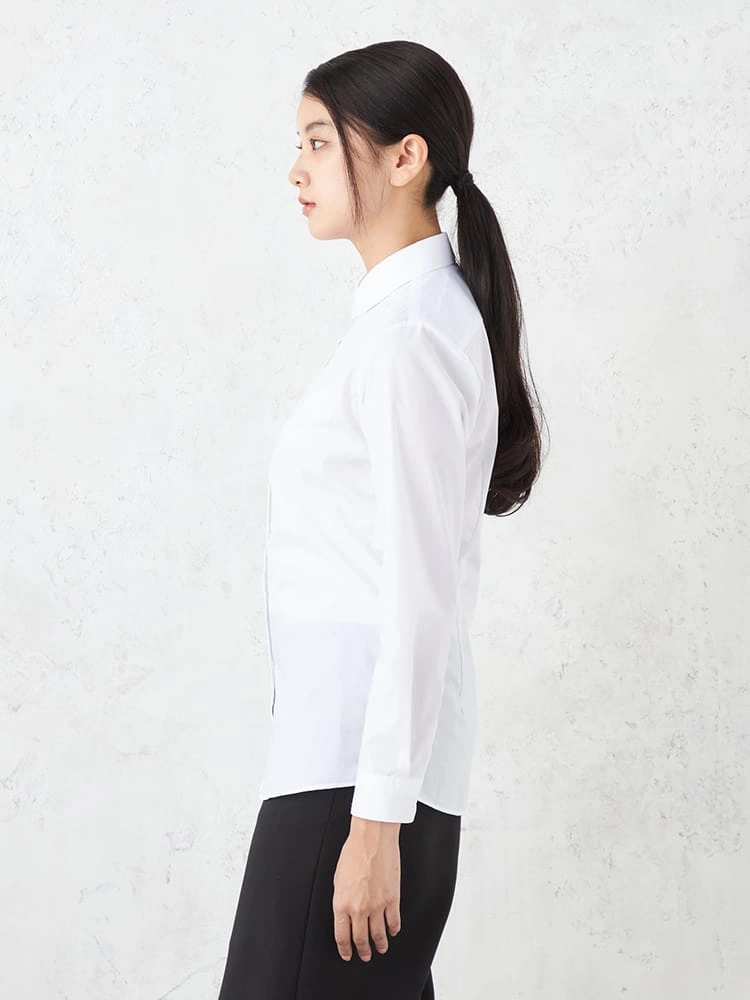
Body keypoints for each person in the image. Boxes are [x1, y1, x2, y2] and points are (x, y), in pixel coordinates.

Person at [217, 38, 545, 1000]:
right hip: (353, 777)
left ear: (406, 158)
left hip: (355, 789)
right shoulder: (402, 326)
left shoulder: (410, 338)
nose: (297, 169)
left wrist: (373, 825)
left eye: (320, 141)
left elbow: (420, 595)